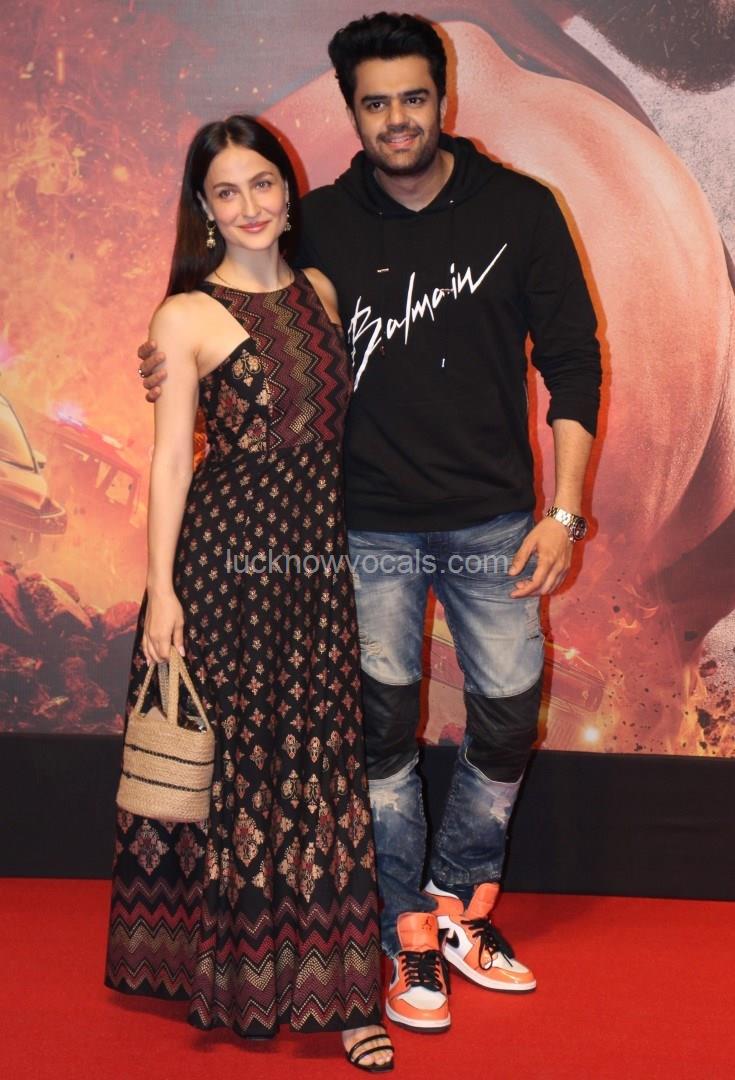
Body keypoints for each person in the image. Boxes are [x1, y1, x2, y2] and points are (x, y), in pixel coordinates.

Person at [138, 13, 602, 1034]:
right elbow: (246, 309)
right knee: (380, 732)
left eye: (413, 97)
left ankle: (458, 900)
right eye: (376, 102)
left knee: (508, 716)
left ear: (444, 96)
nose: (397, 119)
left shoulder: (522, 209)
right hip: (363, 528)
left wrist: (566, 511)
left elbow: (574, 362)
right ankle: (404, 929)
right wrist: (173, 359)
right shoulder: (318, 228)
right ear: (353, 111)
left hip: (494, 520)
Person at [106, 113, 394, 1072]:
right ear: (204, 207)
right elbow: (170, 462)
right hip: (224, 568)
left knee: (323, 770)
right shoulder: (184, 315)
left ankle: (345, 996)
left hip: (312, 570)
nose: (249, 206)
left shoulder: (319, 291)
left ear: (287, 187)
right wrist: (161, 592)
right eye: (225, 192)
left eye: (262, 183)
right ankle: (236, 982)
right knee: (237, 775)